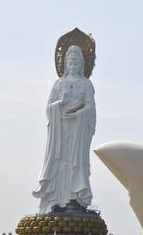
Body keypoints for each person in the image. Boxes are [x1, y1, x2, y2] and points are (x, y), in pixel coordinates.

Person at [33, 45, 96, 213]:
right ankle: (57, 201)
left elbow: (91, 108)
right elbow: (49, 107)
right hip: (60, 130)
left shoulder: (86, 84)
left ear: (82, 65)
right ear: (65, 64)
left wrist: (79, 114)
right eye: (70, 63)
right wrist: (60, 104)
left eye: (76, 63)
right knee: (59, 163)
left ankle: (74, 199)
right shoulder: (59, 84)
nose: (73, 66)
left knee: (75, 163)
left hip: (77, 130)